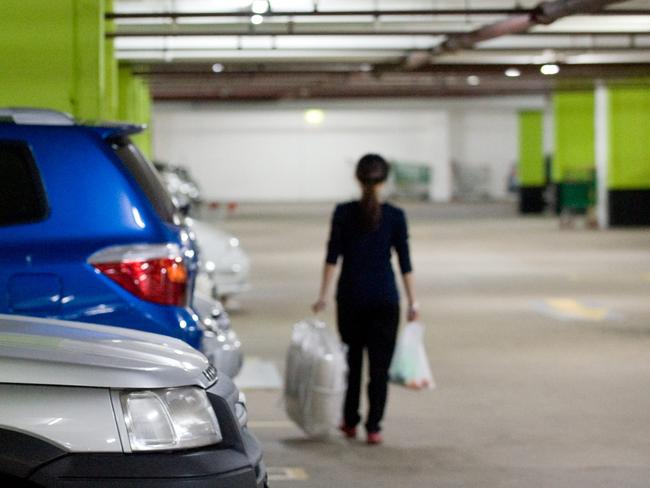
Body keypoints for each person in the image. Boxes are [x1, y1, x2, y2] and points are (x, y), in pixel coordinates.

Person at [312, 153, 419, 445]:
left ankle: (349, 421)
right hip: (385, 298)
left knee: (353, 363)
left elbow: (332, 256)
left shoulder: (343, 213)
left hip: (351, 297)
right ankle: (374, 427)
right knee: (379, 369)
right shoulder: (395, 216)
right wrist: (412, 302)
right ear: (385, 180)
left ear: (357, 178)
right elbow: (405, 263)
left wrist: (322, 296)